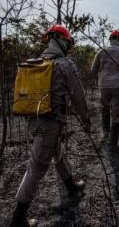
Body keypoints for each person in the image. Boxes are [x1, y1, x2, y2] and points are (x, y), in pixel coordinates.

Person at [10, 25, 91, 227]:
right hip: (51, 123)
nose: (69, 46)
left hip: (34, 120)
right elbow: (78, 96)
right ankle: (18, 218)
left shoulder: (36, 62)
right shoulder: (64, 64)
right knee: (36, 167)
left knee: (58, 152)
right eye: (69, 42)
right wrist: (86, 118)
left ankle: (71, 186)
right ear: (62, 40)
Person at [91, 30, 119, 152]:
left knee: (105, 108)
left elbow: (93, 70)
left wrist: (102, 77)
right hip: (118, 86)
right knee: (116, 114)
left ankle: (105, 132)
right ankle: (113, 145)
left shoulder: (102, 51)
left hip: (104, 86)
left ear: (111, 39)